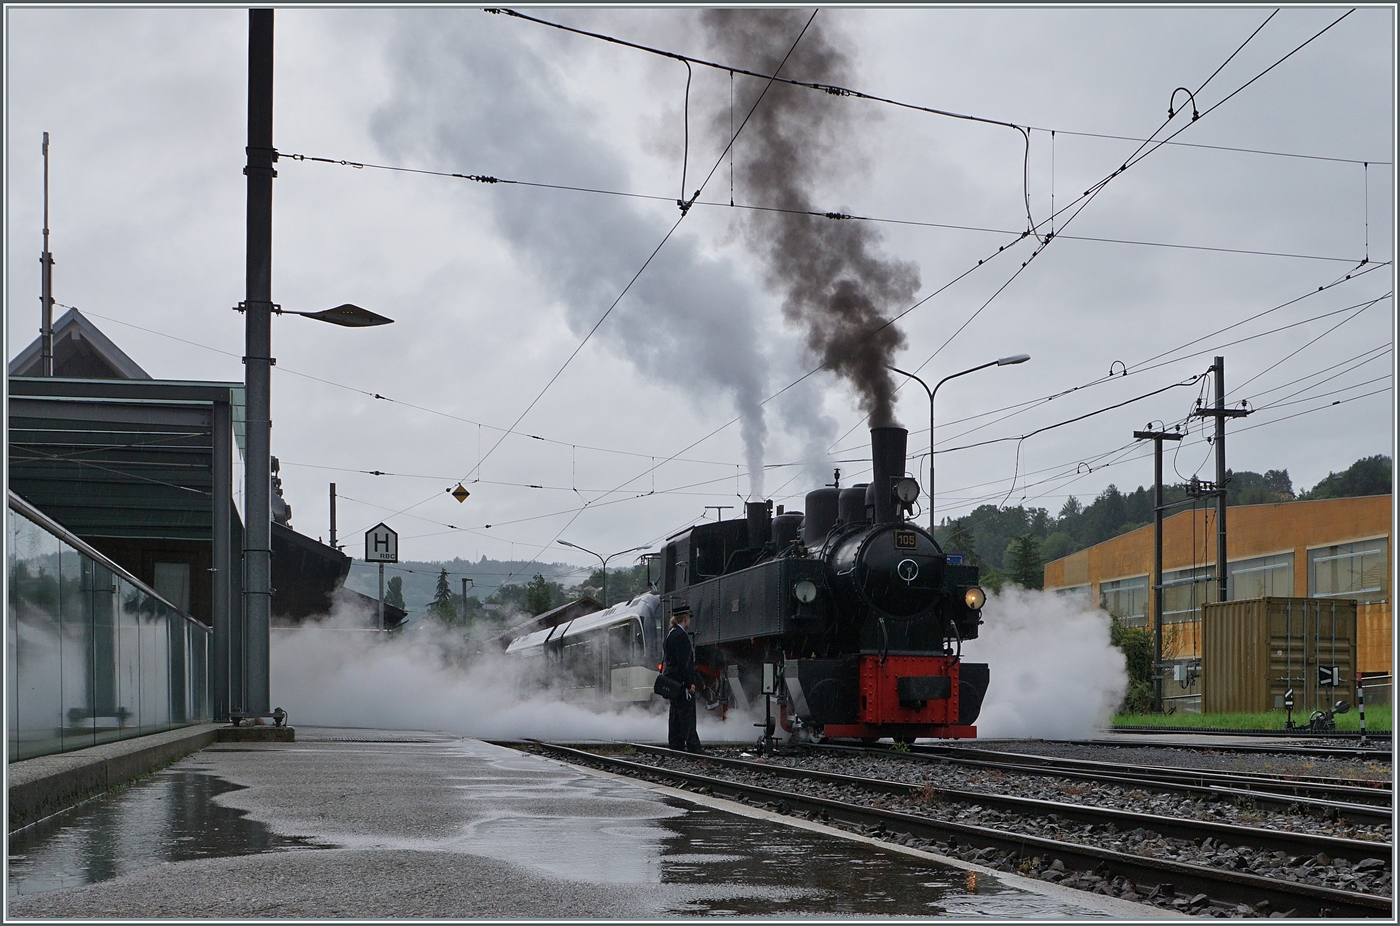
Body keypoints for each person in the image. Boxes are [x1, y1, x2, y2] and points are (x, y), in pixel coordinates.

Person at [662, 611, 703, 753]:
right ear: (685, 618)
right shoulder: (681, 636)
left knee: (675, 713)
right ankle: (694, 746)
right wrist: (689, 683)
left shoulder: (670, 634)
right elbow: (684, 662)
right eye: (688, 618)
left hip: (672, 681)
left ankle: (676, 744)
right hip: (680, 681)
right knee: (687, 714)